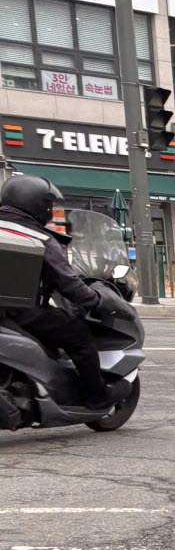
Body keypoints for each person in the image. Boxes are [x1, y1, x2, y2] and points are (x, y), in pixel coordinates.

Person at [0, 173, 112, 410]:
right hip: (22, 313)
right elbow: (68, 283)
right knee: (79, 335)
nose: (50, 210)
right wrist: (94, 298)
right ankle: (96, 398)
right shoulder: (40, 238)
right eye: (49, 204)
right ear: (37, 205)